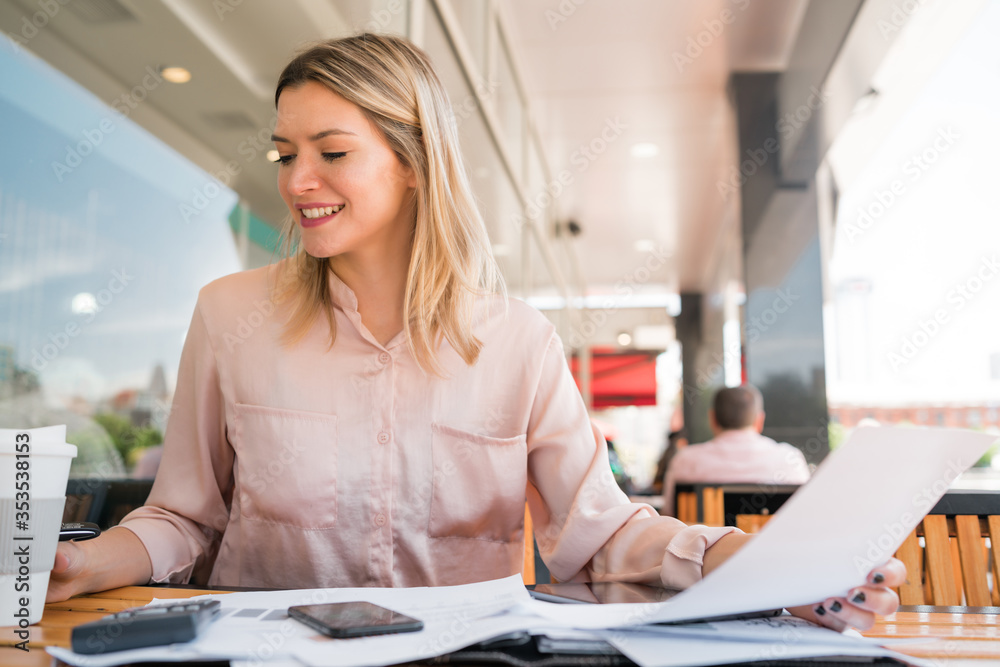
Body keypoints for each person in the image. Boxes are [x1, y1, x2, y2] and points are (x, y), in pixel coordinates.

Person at [46, 33, 902, 631]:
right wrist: (87, 563)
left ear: (413, 163)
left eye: (331, 152)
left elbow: (600, 533)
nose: (297, 179)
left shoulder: (518, 341)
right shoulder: (230, 315)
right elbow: (185, 519)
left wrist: (770, 566)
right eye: (284, 153)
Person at [661, 384, 811, 516]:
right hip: (773, 547)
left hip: (705, 548)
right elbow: (805, 513)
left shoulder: (685, 460)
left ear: (712, 419)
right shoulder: (789, 458)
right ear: (759, 420)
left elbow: (669, 515)